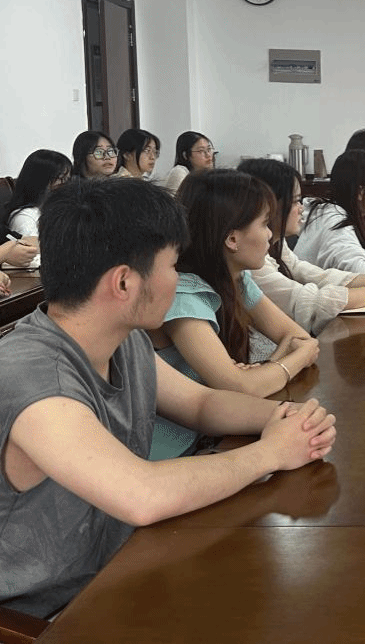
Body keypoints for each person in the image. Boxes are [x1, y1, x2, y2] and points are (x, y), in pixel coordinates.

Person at [0, 176, 335, 618]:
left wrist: (288, 416)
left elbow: (200, 404)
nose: (179, 279)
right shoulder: (33, 375)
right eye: (173, 265)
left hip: (121, 567)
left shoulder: (122, 338)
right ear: (124, 283)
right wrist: (271, 453)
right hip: (44, 617)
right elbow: (142, 494)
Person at [151, 169, 320, 399]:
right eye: (265, 224)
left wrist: (263, 372)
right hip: (188, 424)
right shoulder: (183, 298)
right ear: (232, 239)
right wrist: (298, 357)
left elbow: (296, 337)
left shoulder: (237, 278)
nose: (270, 234)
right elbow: (242, 388)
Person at [238, 158, 365, 334]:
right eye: (295, 201)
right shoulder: (251, 262)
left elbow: (321, 277)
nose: (301, 208)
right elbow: (314, 302)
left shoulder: (278, 245)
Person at [1, 149, 72, 269]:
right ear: (40, 181)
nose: (66, 185)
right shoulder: (25, 217)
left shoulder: (61, 210)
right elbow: (33, 259)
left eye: (68, 179)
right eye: (61, 179)